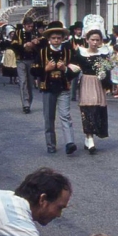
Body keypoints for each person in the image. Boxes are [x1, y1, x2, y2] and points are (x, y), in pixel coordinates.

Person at [31, 22, 78, 155]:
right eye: (53, 38)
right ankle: (51, 144)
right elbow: (33, 70)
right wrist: (45, 69)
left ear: (63, 38)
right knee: (49, 118)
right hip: (48, 88)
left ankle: (70, 143)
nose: (56, 40)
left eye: (59, 38)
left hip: (64, 87)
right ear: (49, 39)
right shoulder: (42, 52)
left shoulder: (68, 52)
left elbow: (75, 70)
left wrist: (65, 69)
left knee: (65, 115)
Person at [71, 16, 111, 154]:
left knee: (97, 109)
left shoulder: (104, 53)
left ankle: (91, 136)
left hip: (98, 83)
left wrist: (106, 81)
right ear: (87, 40)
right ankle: (89, 137)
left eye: (97, 40)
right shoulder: (81, 52)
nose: (94, 42)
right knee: (88, 108)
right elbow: (73, 65)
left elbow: (108, 69)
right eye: (92, 40)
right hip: (87, 82)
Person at [10, 17, 42, 113]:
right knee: (23, 81)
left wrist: (36, 44)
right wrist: (24, 45)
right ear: (24, 25)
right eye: (28, 26)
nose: (30, 28)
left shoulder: (35, 33)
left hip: (31, 60)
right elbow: (13, 45)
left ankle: (29, 101)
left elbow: (41, 48)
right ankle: (25, 104)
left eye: (32, 26)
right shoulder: (18, 33)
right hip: (21, 60)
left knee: (30, 82)